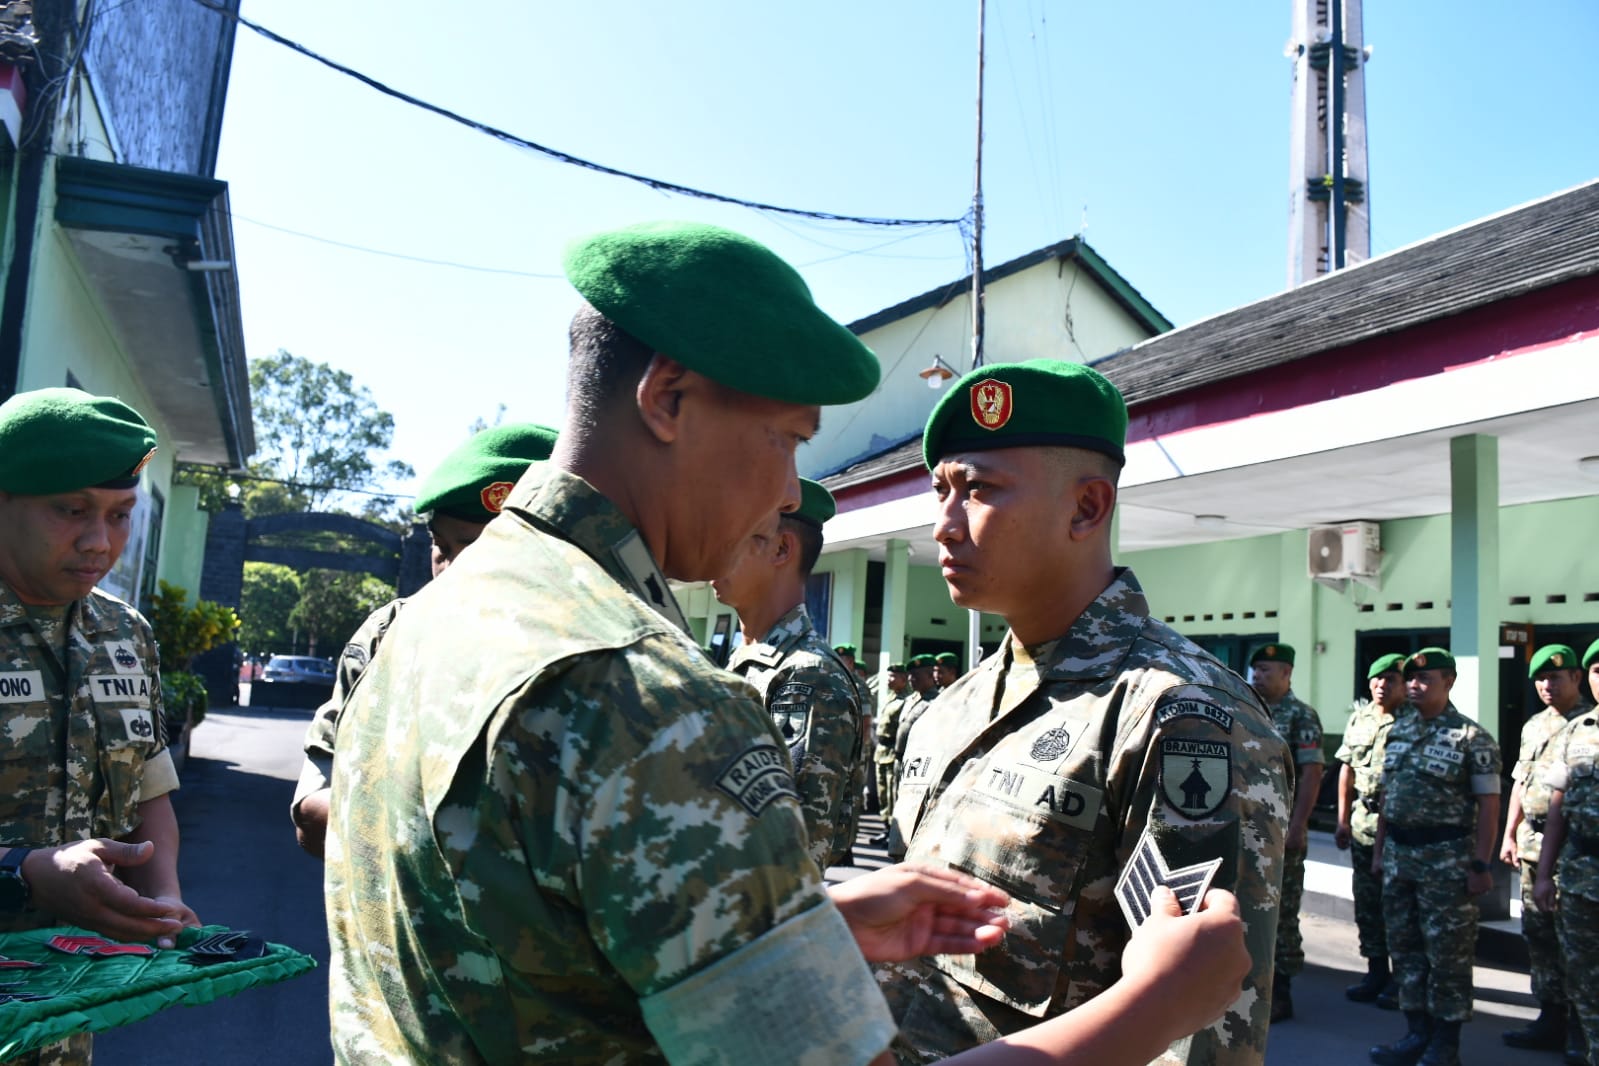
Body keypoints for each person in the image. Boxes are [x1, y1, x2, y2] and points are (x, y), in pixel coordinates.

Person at [320, 224, 1256, 1066]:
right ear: (668, 397)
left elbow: (534, 942)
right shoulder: (646, 696)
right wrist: (1156, 1004)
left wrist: (807, 927)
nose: (786, 496)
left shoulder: (440, 617)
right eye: (784, 442)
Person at [878, 359, 1292, 1065]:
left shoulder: (1178, 717)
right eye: (939, 491)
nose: (943, 527)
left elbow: (1198, 1028)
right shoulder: (953, 703)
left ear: (1086, 508)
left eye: (977, 491)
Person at [0, 387, 201, 1066]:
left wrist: (162, 899)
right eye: (71, 511)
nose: (100, 542)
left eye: (120, 516)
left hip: (62, 1014)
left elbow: (149, 790)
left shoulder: (125, 633)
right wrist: (23, 874)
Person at [289, 423, 557, 859]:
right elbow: (312, 814)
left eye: (474, 548)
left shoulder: (581, 654)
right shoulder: (386, 636)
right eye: (441, 547)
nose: (450, 568)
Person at [713, 479, 865, 871]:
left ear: (781, 548)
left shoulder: (806, 676)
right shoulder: (747, 661)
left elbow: (798, 846)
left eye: (732, 537)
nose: (713, 550)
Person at [1369, 648, 1502, 1066]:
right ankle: (1415, 1034)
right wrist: (1378, 851)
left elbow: (1490, 805)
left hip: (1446, 862)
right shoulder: (1399, 731)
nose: (1414, 686)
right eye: (1410, 679)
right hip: (1399, 857)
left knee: (1448, 954)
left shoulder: (1471, 738)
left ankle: (1445, 1043)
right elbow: (1389, 798)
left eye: (1425, 679)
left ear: (1449, 682)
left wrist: (1482, 864)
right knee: (1405, 949)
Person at [1500, 643, 1588, 1052]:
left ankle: (1578, 1027)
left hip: (1572, 850)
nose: (1547, 685)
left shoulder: (1586, 725)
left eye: (1556, 676)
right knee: (1538, 935)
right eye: (1540, 678)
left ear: (1576, 678)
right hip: (1532, 843)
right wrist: (1509, 832)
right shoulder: (1534, 724)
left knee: (1575, 941)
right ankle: (1549, 1016)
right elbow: (1521, 780)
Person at [1245, 641, 1324, 1022]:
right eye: (1255, 669)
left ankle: (1282, 993)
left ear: (1287, 674)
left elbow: (1312, 772)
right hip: (1248, 827)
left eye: (1266, 670)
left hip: (1281, 830)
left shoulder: (1301, 716)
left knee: (1282, 911)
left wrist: (1299, 824)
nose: (1258, 676)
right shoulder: (1246, 709)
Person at [1534, 637, 1599, 1066]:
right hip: (1580, 873)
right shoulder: (1577, 732)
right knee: (1583, 977)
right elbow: (1557, 807)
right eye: (1598, 670)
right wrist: (1544, 872)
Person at [1334, 652, 1408, 1006]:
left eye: (1390, 679)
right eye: (1376, 679)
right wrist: (1343, 819)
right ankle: (1376, 969)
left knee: (1397, 905)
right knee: (1367, 902)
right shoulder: (1360, 718)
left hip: (1398, 829)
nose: (1382, 685)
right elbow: (1346, 768)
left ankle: (1402, 977)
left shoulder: (1411, 721)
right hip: (1364, 822)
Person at [871, 662, 911, 841]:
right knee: (882, 793)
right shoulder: (891, 697)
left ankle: (893, 833)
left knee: (892, 794)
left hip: (894, 751)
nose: (889, 680)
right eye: (888, 676)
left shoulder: (906, 700)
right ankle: (886, 828)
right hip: (882, 751)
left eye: (893, 677)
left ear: (904, 679)